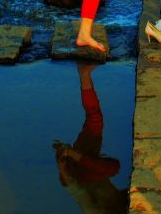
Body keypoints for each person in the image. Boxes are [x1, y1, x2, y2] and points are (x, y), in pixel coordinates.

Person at [52, 61, 129, 213]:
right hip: (90, 165)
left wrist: (63, 167)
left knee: (112, 168)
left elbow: (77, 192)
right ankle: (84, 75)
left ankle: (84, 74)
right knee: (95, 120)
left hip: (84, 171)